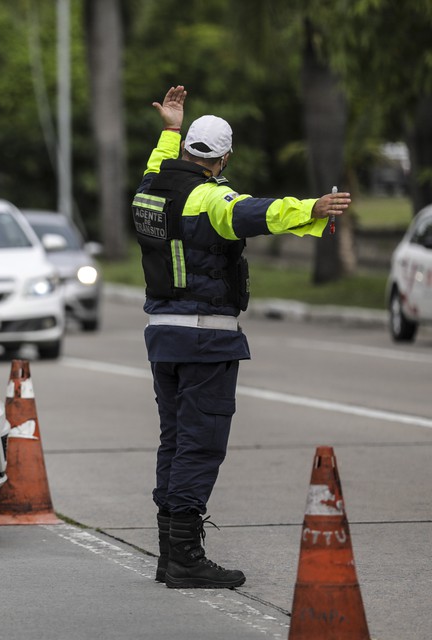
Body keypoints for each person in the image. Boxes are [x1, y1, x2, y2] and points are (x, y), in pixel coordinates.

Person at [132, 85, 351, 589]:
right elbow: (257, 213)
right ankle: (185, 556)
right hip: (206, 338)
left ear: (187, 149)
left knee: (175, 440)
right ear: (225, 157)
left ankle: (171, 554)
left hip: (163, 334)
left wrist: (169, 128)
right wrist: (311, 209)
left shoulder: (149, 188)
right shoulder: (211, 197)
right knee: (201, 445)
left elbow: (158, 164)